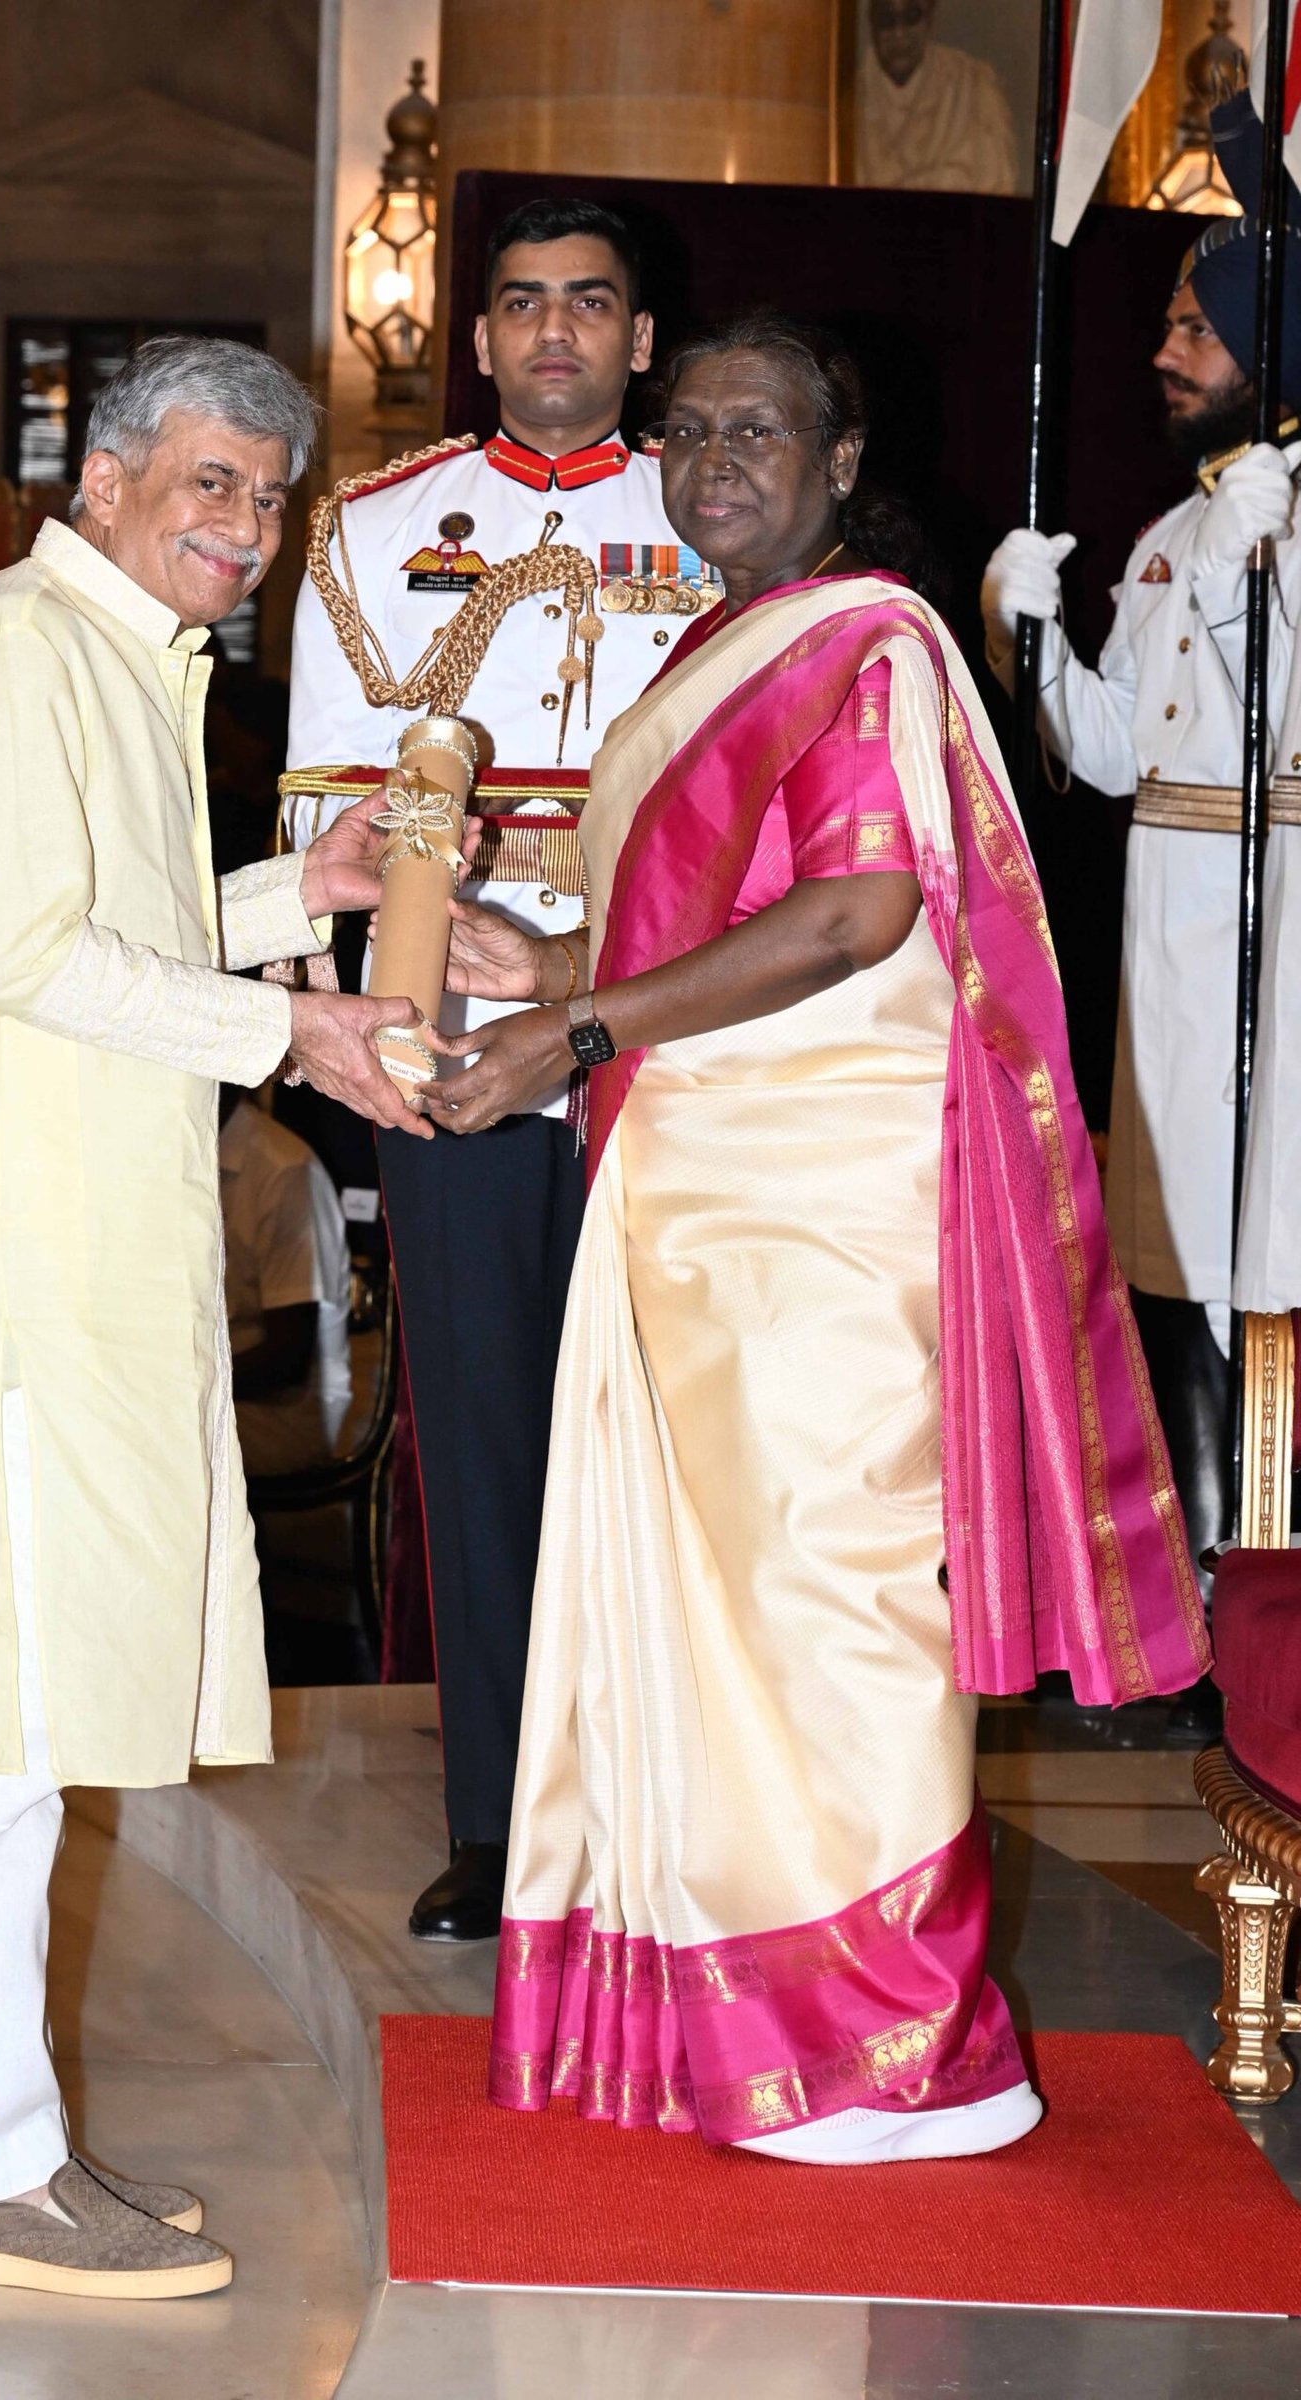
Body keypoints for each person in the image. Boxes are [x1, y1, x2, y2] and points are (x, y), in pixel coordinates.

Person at [430, 311, 1205, 2165]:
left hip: (824, 1207)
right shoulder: (715, 647)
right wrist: (551, 970)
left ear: (846, 458)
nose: (713, 462)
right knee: (718, 1626)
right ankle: (759, 2020)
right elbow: (721, 926)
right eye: (685, 432)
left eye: (757, 430)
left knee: (832, 1607)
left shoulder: (868, 643)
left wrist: (580, 1027)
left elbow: (859, 919)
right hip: (702, 1191)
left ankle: (908, 2042)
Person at [0, 335, 443, 2301]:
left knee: (30, 1730)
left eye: (268, 501)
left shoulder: (118, 666)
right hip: (4, 1281)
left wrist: (273, 895)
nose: (244, 531)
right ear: (112, 482)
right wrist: (291, 1023)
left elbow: (99, 919)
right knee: (1, 1727)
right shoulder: (11, 654)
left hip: (66, 1271)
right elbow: (29, 954)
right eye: (212, 486)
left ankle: (7, 2147)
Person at [286, 196, 699, 1942]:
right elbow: (327, 804)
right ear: (476, 340)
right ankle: (502, 1823)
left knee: (682, 1421)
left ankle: (684, 1804)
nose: (554, 334)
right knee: (478, 1421)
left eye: (590, 305)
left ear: (641, 339)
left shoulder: (717, 507)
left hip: (663, 1011)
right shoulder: (376, 526)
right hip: (455, 1010)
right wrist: (361, 1020)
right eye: (522, 305)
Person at [981, 90, 1301, 1717]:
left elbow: (1269, 737)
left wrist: (1265, 578)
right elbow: (1112, 756)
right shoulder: (1185, 521)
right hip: (1164, 931)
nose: (1167, 349)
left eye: (1199, 325)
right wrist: (1029, 635)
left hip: (1279, 921)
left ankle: (1264, 1602)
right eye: (1171, 320)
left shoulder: (1279, 519)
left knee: (1268, 1264)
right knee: (1171, 1264)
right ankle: (1174, 1609)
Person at [219, 1088, 353, 1476]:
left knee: (144, 1452)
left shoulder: (284, 1169)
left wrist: (179, 1387)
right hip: (223, 1390)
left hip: (289, 1411)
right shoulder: (182, 1154)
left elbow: (287, 1358)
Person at [857, 0, 1017, 197]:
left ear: (929, 18)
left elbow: (999, 193)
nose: (899, 33)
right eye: (886, 19)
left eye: (912, 16)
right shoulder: (849, 100)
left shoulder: (975, 88)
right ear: (872, 23)